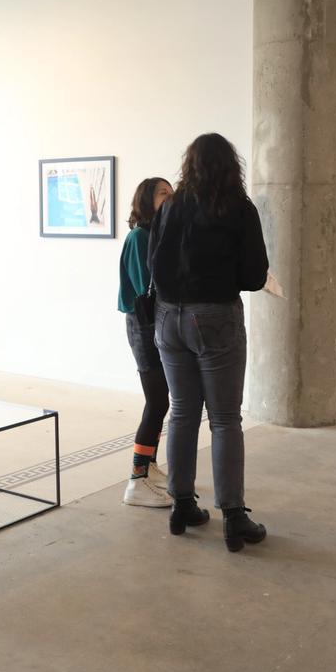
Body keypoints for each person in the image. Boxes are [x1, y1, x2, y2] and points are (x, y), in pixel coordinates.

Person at [148, 133, 269, 551]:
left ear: (189, 164)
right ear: (230, 165)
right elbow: (255, 275)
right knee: (224, 418)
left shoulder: (170, 207)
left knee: (182, 412)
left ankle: (182, 505)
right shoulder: (238, 208)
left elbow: (153, 262)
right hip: (215, 316)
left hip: (168, 317)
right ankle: (233, 516)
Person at [118, 177, 175, 507]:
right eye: (163, 193)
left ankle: (149, 466)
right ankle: (137, 480)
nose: (170, 197)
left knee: (161, 401)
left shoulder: (157, 234)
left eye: (171, 192)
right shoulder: (140, 236)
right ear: (146, 200)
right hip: (144, 325)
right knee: (156, 401)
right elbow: (146, 288)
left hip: (155, 323)